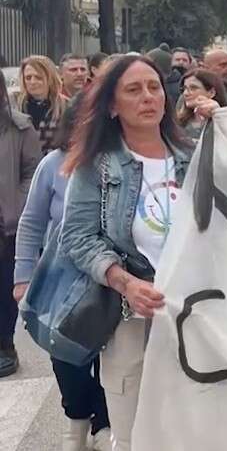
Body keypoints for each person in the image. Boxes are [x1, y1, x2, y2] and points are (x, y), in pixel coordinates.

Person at [58, 55, 194, 451]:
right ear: (113, 106)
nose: (148, 97)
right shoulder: (96, 166)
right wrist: (126, 281)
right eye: (133, 90)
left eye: (154, 87)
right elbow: (78, 238)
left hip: (194, 317)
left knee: (193, 429)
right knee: (134, 436)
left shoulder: (196, 155)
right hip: (129, 321)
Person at [13, 103, 113, 450]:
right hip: (62, 277)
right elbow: (32, 221)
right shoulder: (53, 164)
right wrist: (22, 275)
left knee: (111, 356)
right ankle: (76, 420)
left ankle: (104, 423)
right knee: (65, 352)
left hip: (112, 277)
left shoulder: (123, 160)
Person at [1, 72, 41, 378]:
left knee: (3, 290)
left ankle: (5, 345)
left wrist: (17, 199)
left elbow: (32, 169)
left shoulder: (20, 126)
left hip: (6, 224)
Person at [14, 55, 67, 155]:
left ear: (50, 78)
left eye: (38, 77)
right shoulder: (15, 106)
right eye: (28, 78)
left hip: (52, 166)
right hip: (22, 166)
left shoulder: (65, 106)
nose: (32, 82)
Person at [177, 69, 226, 141]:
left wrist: (218, 115)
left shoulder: (225, 121)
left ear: (212, 92)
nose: (186, 93)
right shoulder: (178, 122)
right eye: (184, 88)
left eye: (193, 88)